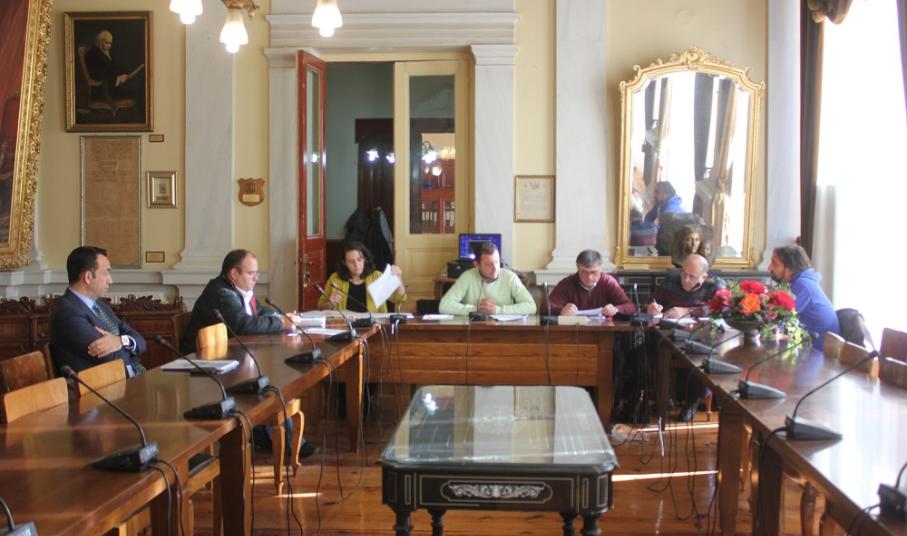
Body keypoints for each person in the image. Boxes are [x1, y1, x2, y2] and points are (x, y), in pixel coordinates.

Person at [646, 254, 722, 422]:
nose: (686, 279)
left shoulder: (714, 286)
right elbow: (652, 301)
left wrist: (688, 311)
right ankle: (663, 397)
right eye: (684, 274)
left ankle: (692, 402)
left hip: (699, 336)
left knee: (702, 355)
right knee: (649, 347)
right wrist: (652, 307)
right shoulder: (670, 280)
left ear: (704, 277)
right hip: (668, 333)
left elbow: (719, 308)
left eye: (692, 276)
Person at [49, 246, 147, 377]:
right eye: (106, 273)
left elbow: (140, 341)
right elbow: (112, 358)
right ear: (88, 277)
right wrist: (130, 345)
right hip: (104, 386)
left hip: (131, 378)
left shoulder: (99, 304)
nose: (110, 280)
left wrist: (121, 341)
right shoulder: (67, 313)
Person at [181, 249, 295, 354]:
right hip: (201, 358)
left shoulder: (238, 290)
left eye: (257, 273)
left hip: (226, 352)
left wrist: (282, 317)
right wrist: (281, 323)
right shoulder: (221, 293)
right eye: (251, 273)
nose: (256, 278)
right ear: (234, 273)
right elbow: (243, 325)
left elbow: (259, 310)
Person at [768, 245, 840, 345]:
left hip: (817, 350)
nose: (769, 267)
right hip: (807, 344)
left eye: (775, 263)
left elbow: (779, 319)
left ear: (790, 269)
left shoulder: (803, 285)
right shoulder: (802, 283)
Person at [439, 241, 537, 316]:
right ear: (477, 264)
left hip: (504, 329)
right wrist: (476, 309)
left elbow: (531, 306)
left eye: (497, 262)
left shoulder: (510, 277)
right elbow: (444, 306)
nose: (495, 268)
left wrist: (497, 310)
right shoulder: (467, 277)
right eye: (488, 264)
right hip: (474, 329)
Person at [317, 241, 407, 312]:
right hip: (345, 325)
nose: (356, 265)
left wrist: (398, 279)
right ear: (344, 263)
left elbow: (399, 299)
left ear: (365, 259)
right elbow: (320, 307)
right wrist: (330, 303)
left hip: (373, 326)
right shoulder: (335, 279)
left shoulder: (376, 276)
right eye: (351, 261)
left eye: (359, 260)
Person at [547, 249, 635, 317]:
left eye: (593, 272)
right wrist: (561, 310)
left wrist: (615, 309)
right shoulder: (567, 283)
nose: (589, 277)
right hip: (575, 329)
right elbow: (546, 307)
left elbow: (631, 306)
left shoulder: (608, 282)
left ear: (600, 268)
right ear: (577, 268)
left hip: (604, 330)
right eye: (584, 272)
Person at [83, 30, 141, 103]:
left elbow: (115, 67)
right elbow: (99, 75)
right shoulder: (91, 54)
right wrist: (118, 79)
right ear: (100, 42)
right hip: (104, 90)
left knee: (136, 87)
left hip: (113, 86)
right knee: (134, 91)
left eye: (110, 43)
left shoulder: (106, 52)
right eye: (107, 43)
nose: (109, 46)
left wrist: (125, 75)